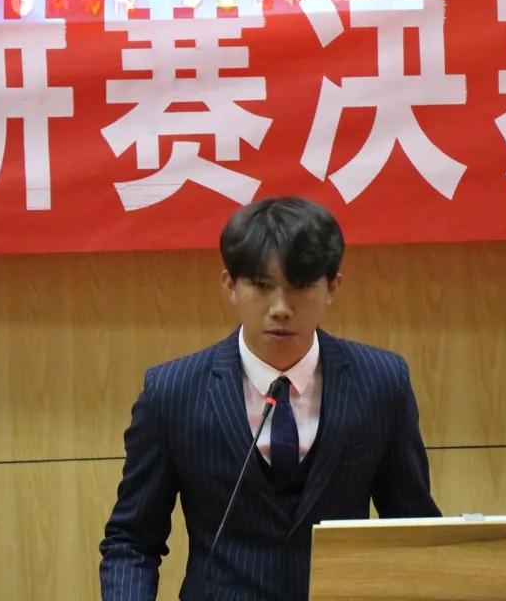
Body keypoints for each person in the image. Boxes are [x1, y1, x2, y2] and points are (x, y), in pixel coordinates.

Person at [100, 197, 439, 601]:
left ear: (332, 286)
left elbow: (414, 532)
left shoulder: (382, 382)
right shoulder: (172, 392)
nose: (280, 308)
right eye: (262, 286)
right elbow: (132, 542)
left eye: (300, 286)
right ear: (230, 285)